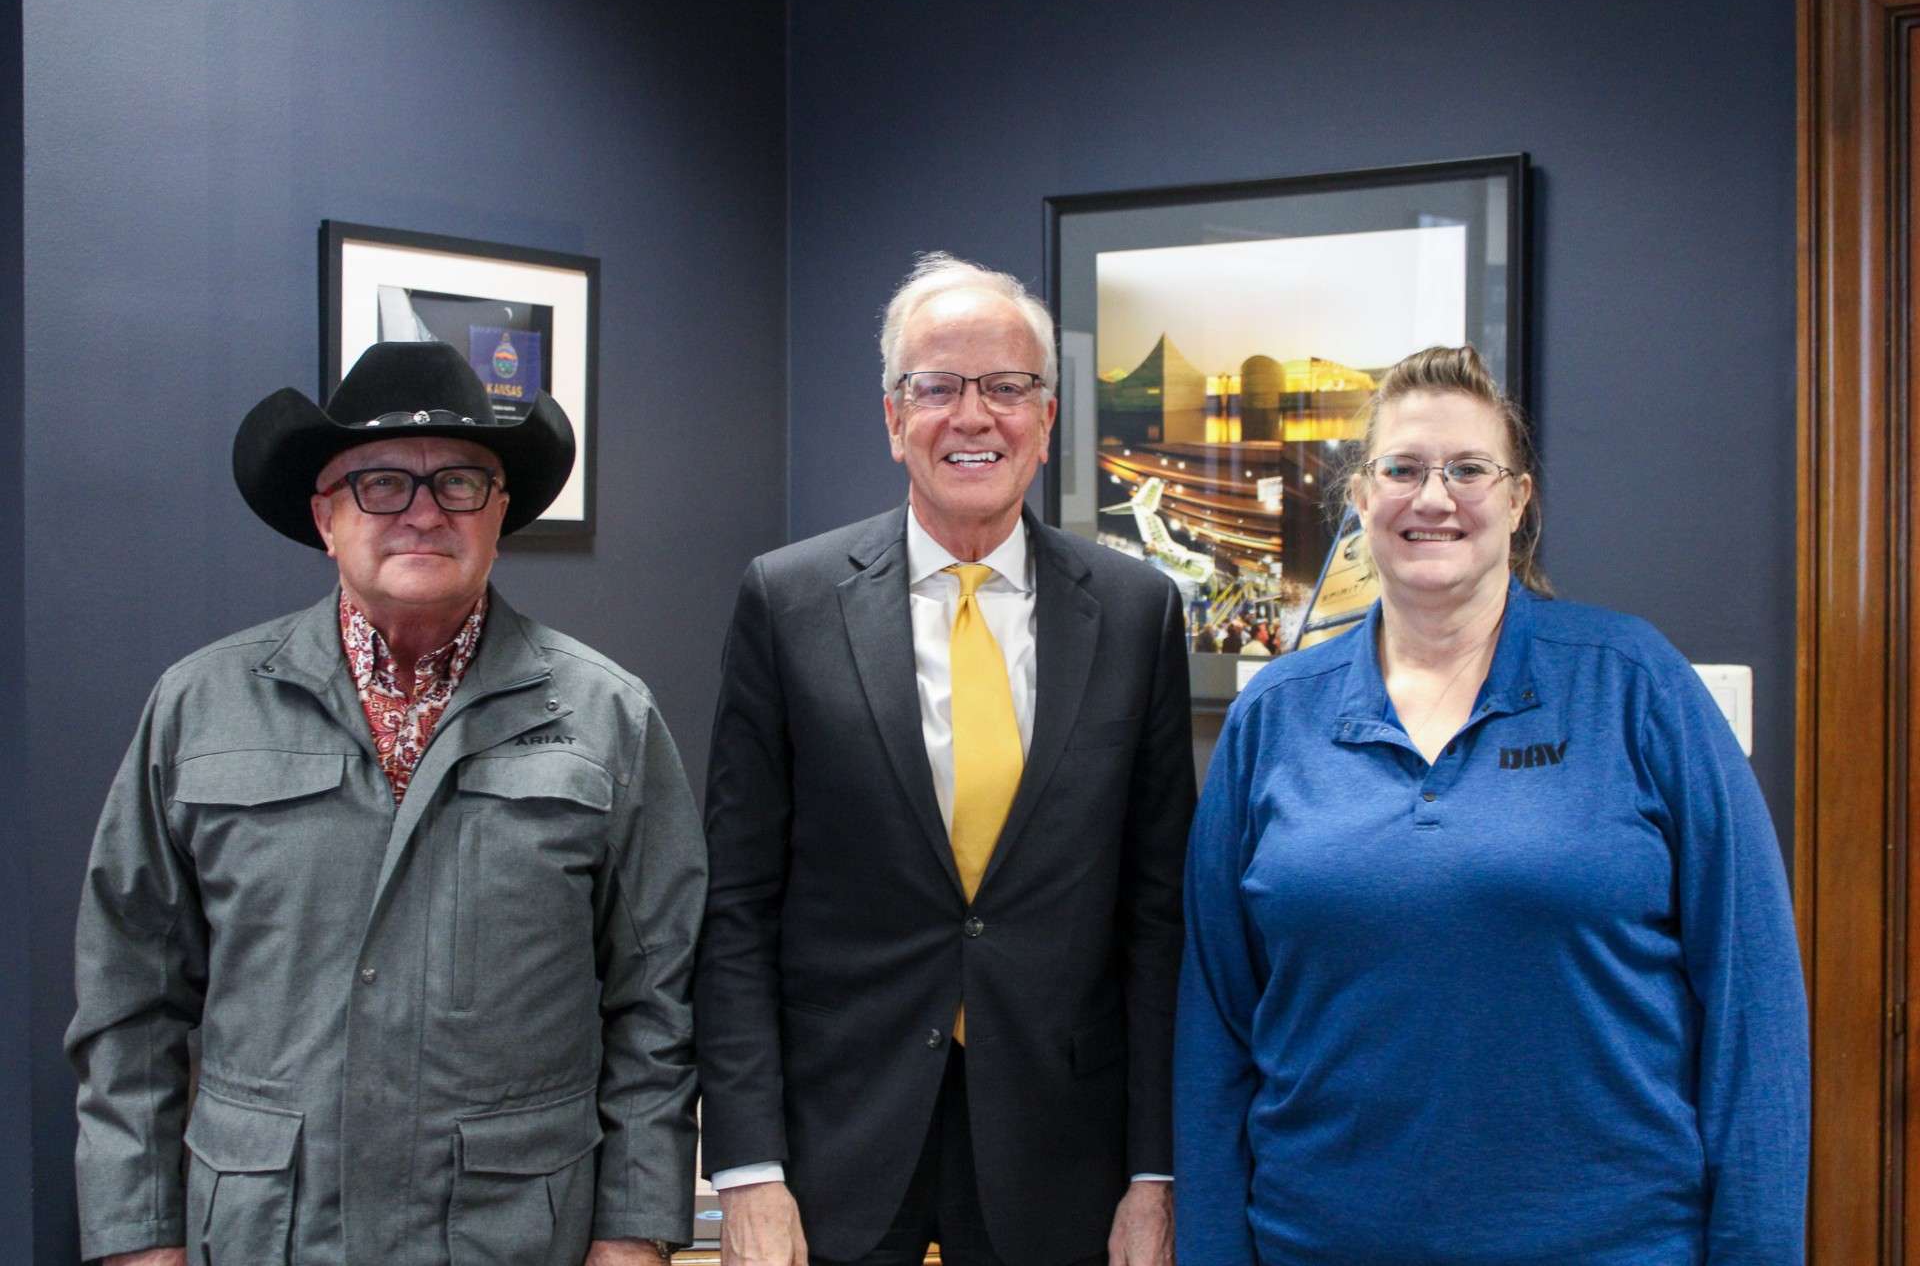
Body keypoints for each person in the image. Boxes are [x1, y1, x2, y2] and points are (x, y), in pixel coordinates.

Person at [68, 341, 706, 1266]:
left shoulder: (609, 718)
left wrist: (633, 1234)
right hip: (264, 1234)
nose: (422, 512)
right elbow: (128, 998)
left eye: (459, 483)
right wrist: (138, 1239)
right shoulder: (198, 707)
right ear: (325, 516)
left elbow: (659, 1004)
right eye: (378, 484)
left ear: (500, 514)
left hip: (514, 1238)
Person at [1175, 344, 1809, 1264]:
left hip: (1612, 1244)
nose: (1434, 498)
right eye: (1402, 469)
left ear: (1517, 501)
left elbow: (1754, 1007)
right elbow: (1214, 1027)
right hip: (1320, 1241)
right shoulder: (1275, 717)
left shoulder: (1636, 686)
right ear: (1360, 497)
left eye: (1470, 469)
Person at [697, 253, 1194, 1266]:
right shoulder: (788, 602)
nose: (976, 416)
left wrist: (1157, 1170)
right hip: (839, 1142)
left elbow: (1157, 913)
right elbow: (736, 905)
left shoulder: (1138, 612)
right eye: (938, 387)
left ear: (1046, 419)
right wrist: (748, 1168)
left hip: (1063, 1150)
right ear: (893, 417)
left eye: (1008, 387)